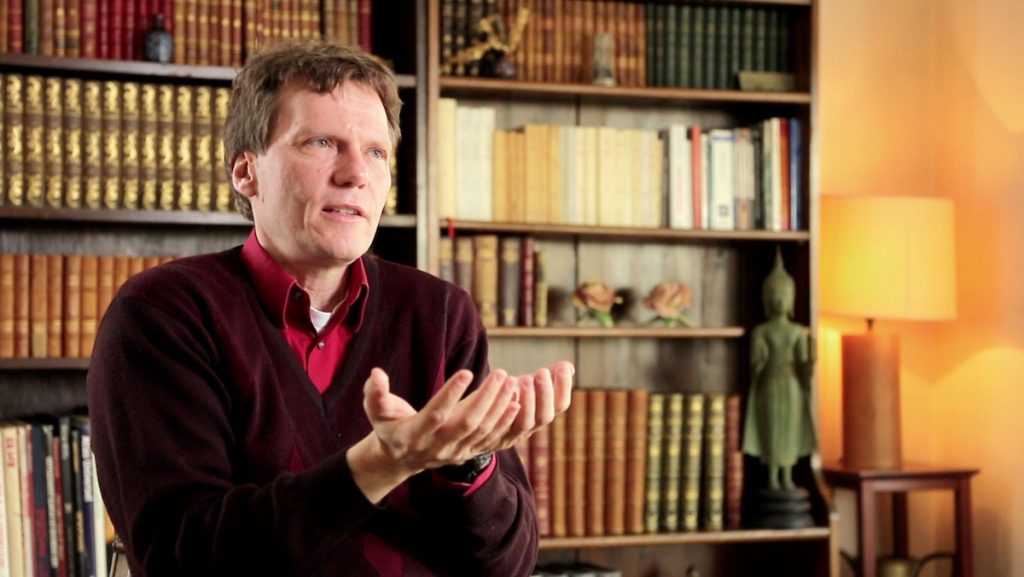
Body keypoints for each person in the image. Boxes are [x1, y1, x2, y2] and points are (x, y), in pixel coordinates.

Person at [87, 40, 574, 577]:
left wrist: (468, 462)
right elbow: (181, 556)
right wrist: (379, 463)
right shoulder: (163, 314)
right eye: (321, 143)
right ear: (246, 172)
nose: (355, 174)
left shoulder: (439, 312)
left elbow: (509, 565)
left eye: (376, 152)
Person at [741, 249, 816, 492]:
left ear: (792, 297)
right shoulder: (761, 331)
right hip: (770, 384)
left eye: (784, 294)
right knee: (772, 430)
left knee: (790, 430)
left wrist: (810, 362)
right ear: (766, 298)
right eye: (774, 294)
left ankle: (787, 475)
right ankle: (772, 476)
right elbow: (755, 362)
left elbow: (803, 365)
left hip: (792, 384)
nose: (779, 299)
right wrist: (758, 364)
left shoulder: (797, 332)